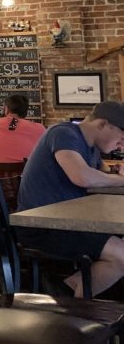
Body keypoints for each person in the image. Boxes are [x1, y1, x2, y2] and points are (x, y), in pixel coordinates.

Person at [16, 102, 124, 297]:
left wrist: (115, 175)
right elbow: (81, 176)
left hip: (68, 223)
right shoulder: (64, 133)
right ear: (102, 124)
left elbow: (102, 178)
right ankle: (77, 311)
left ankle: (65, 291)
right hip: (41, 226)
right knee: (121, 257)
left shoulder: (92, 148)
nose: (122, 145)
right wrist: (118, 179)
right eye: (122, 138)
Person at [0, 94, 45, 162]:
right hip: (26, 172)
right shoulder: (39, 128)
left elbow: (12, 125)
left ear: (6, 109)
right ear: (25, 112)